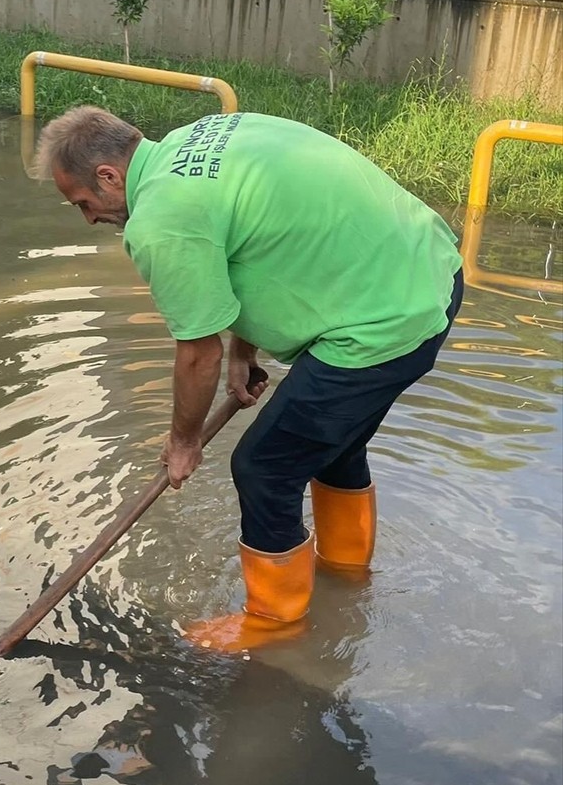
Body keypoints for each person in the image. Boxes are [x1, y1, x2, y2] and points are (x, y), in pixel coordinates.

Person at [35, 105, 463, 652]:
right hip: (430, 271)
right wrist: (246, 349)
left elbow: (196, 354)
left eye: (83, 203)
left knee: (262, 468)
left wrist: (183, 441)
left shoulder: (161, 220)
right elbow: (254, 250)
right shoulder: (204, 136)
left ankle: (275, 622)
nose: (89, 217)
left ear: (108, 176)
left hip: (383, 321)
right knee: (333, 445)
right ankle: (347, 574)